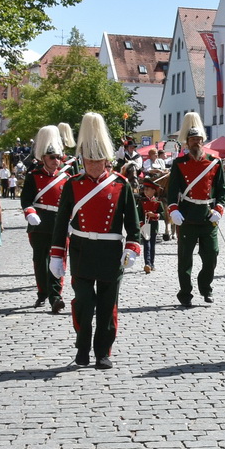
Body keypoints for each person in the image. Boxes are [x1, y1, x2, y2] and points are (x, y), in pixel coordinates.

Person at [49, 113, 142, 368]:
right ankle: (82, 347)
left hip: (110, 252)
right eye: (88, 160)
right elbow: (60, 223)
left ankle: (103, 351)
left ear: (106, 160)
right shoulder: (73, 184)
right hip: (82, 251)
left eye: (97, 160)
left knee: (106, 306)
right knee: (84, 304)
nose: (92, 165)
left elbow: (133, 224)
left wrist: (133, 247)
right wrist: (57, 254)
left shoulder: (120, 186)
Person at [165, 113, 225, 307]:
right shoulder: (179, 164)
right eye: (193, 140)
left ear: (203, 142)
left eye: (199, 140)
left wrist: (219, 208)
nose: (196, 143)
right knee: (185, 260)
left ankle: (206, 288)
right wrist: (173, 210)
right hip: (186, 217)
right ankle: (185, 293)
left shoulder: (214, 163)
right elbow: (172, 190)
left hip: (208, 217)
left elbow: (222, 190)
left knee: (212, 256)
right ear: (187, 142)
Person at [21, 126, 69, 313]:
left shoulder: (66, 177)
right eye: (51, 157)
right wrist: (30, 213)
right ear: (43, 158)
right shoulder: (33, 176)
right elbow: (26, 199)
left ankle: (56, 296)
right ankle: (43, 292)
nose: (55, 161)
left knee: (58, 259)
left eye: (58, 157)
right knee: (41, 261)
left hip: (59, 223)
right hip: (39, 223)